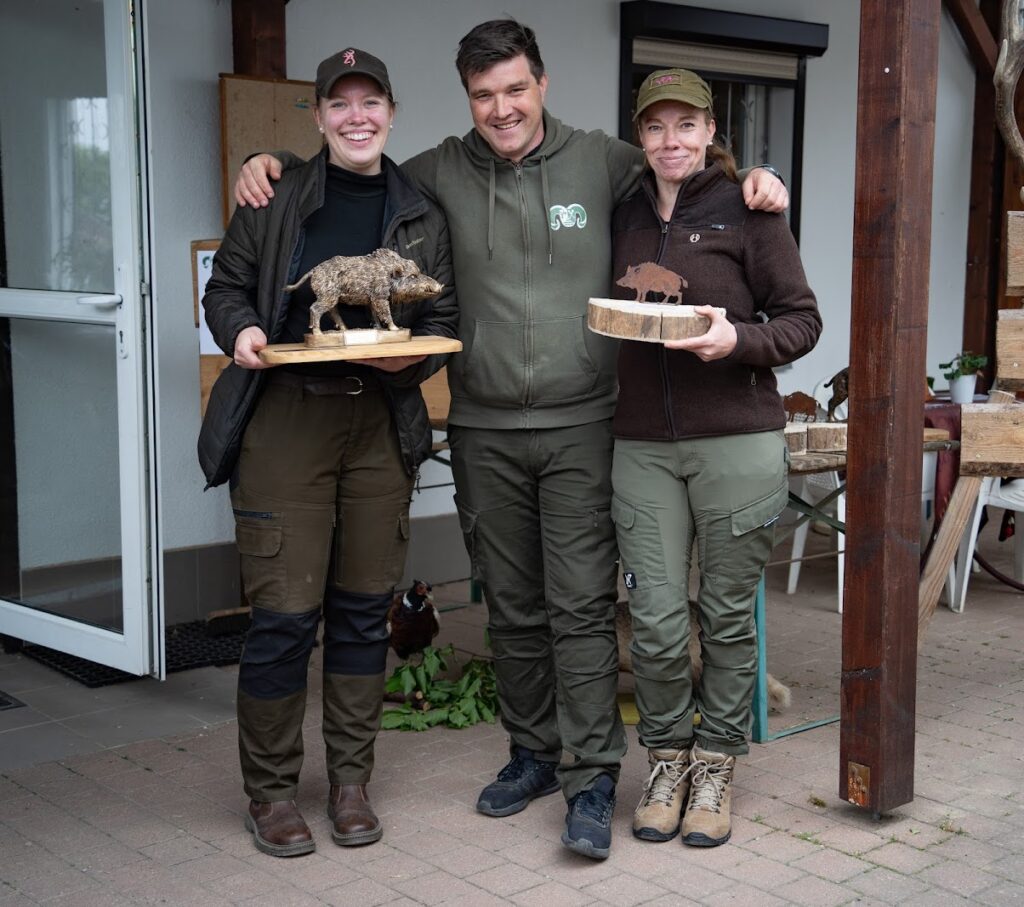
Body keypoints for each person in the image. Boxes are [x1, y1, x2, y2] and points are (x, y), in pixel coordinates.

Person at [232, 19, 787, 861]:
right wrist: (268, 160)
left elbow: (686, 168)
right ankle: (533, 751)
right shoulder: (437, 173)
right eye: (484, 95)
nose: (502, 108)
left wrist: (756, 178)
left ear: (542, 84)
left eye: (516, 89)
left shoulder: (603, 161)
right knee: (514, 605)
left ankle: (591, 772)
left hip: (583, 423)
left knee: (580, 605)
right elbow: (352, 164)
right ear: (468, 99)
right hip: (484, 425)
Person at [197, 47, 456, 858]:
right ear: (317, 116)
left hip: (378, 421)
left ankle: (350, 784)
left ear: (391, 112)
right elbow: (225, 286)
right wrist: (241, 329)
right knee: (282, 614)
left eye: (370, 102)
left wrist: (412, 362)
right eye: (339, 103)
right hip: (286, 419)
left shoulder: (421, 210)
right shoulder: (273, 193)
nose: (356, 117)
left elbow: (442, 317)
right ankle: (271, 791)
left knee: (361, 609)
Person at [611, 68, 820, 848]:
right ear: (640, 135)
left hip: (737, 439)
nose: (671, 140)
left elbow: (801, 321)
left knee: (728, 619)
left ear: (708, 131)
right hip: (641, 445)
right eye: (655, 125)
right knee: (657, 620)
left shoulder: (750, 210)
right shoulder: (623, 210)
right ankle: (666, 761)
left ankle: (716, 766)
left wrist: (737, 340)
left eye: (686, 124)